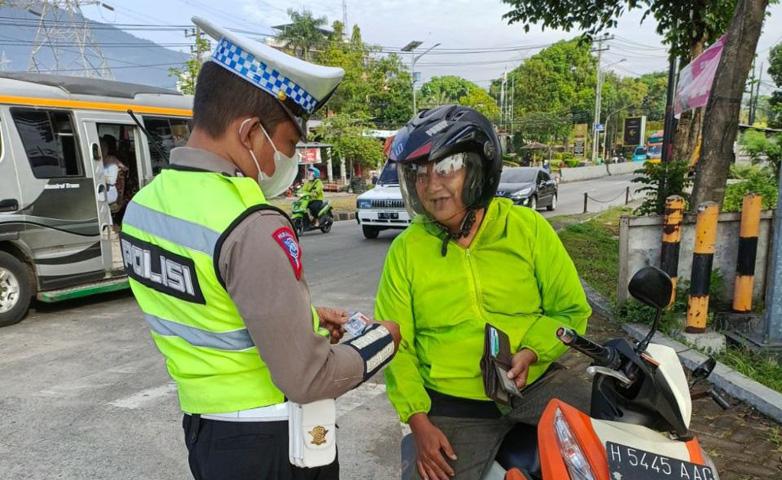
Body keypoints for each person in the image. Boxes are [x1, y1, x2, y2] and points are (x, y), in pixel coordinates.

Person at [120, 17, 400, 480]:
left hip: (207, 435)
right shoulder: (251, 222)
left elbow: (210, 305)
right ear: (250, 132)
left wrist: (305, 318)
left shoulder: (144, 206)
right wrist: (382, 342)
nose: (288, 161)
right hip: (273, 443)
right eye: (287, 144)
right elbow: (307, 378)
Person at [374, 105, 592, 480]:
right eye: (420, 174)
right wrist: (418, 421)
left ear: (479, 169)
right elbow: (396, 345)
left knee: (618, 439)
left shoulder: (527, 228)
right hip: (455, 405)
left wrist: (532, 351)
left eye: (446, 169)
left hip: (536, 384)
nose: (432, 186)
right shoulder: (406, 250)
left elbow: (570, 311)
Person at [101, 134, 129, 225]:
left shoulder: (112, 160)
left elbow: (112, 180)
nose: (102, 150)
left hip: (110, 191)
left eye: (104, 147)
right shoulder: (99, 160)